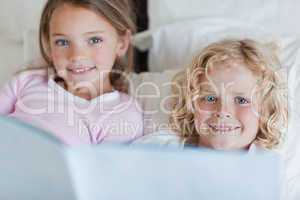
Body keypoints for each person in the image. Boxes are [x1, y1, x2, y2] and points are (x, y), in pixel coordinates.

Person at [0, 0, 143, 145]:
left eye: (94, 40)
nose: (76, 55)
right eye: (62, 42)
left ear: (122, 43)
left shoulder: (122, 113)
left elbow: (107, 166)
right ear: (49, 45)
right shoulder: (27, 81)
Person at [133, 39, 287, 151]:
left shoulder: (267, 169)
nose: (222, 111)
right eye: (210, 98)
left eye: (241, 100)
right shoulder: (159, 150)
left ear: (266, 110)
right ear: (191, 104)